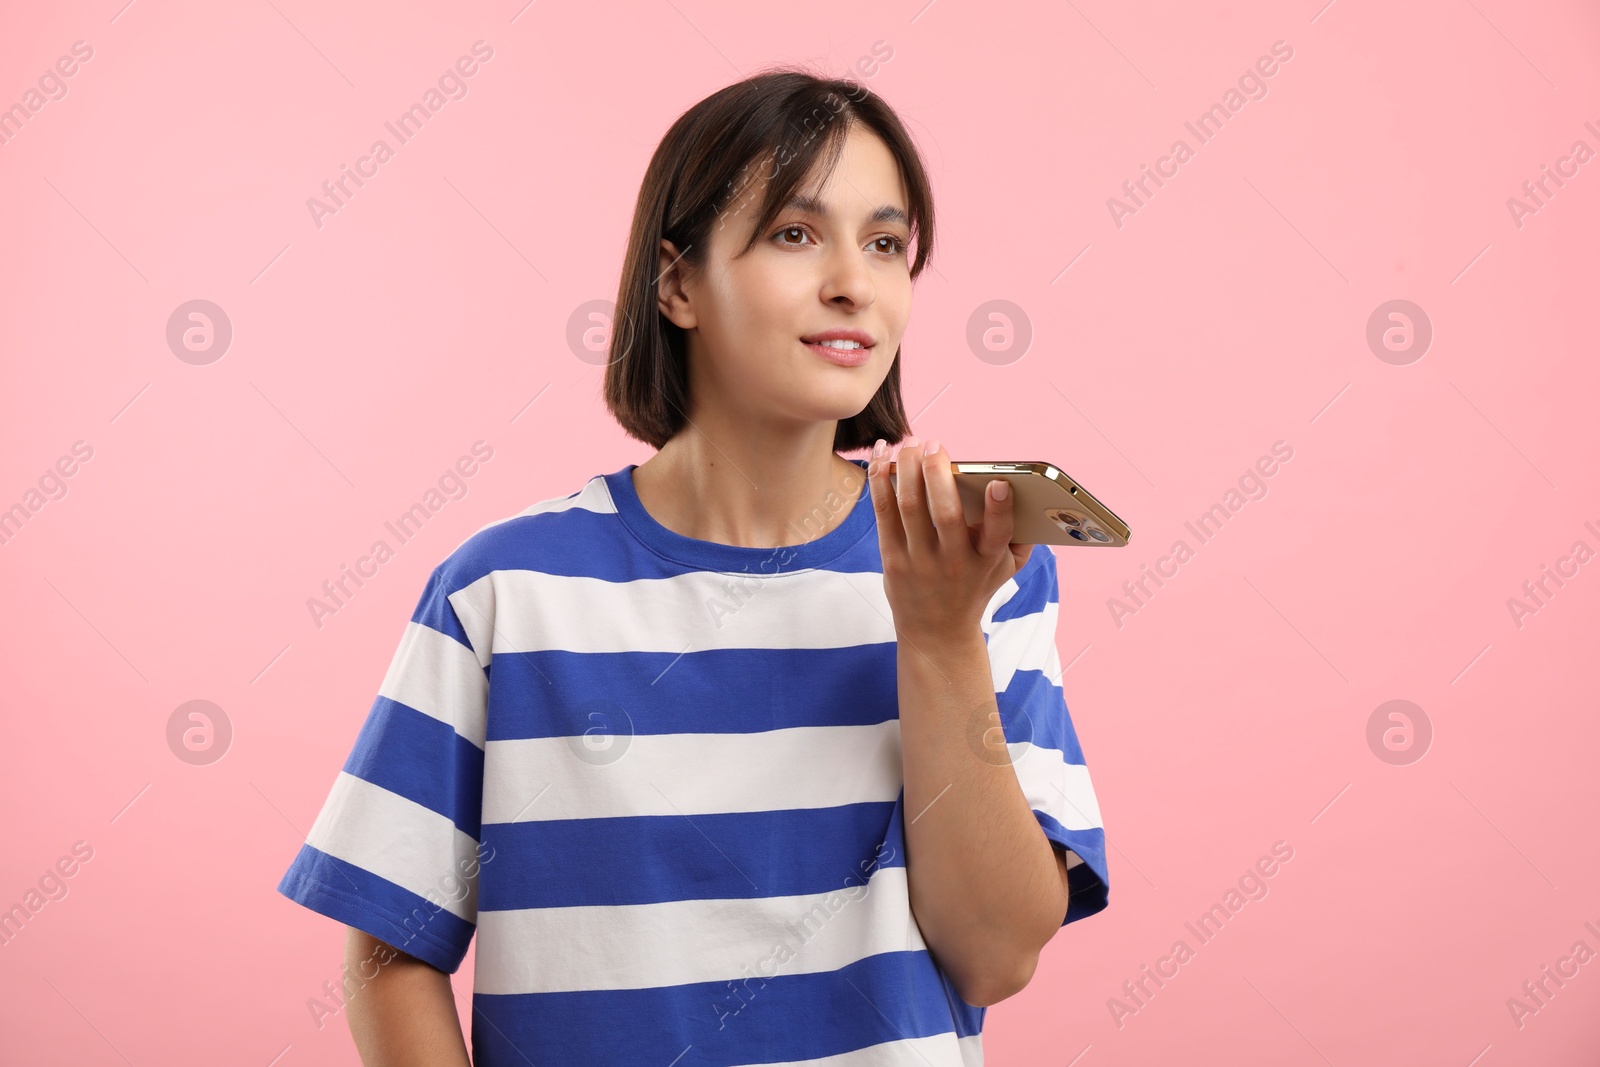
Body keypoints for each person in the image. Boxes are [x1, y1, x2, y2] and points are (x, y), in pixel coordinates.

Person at [276, 66, 1110, 1067]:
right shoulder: (506, 589)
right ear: (677, 284)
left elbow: (994, 955)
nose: (854, 280)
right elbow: (386, 943)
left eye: (885, 243)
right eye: (795, 234)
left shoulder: (979, 570)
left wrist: (936, 636)